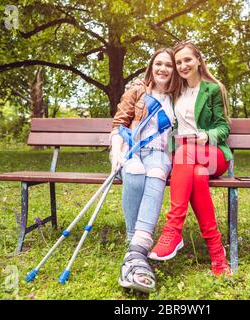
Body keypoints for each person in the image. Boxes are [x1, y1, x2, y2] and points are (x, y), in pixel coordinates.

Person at [148, 41, 233, 276]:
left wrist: (206, 135)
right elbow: (151, 89)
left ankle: (173, 230)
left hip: (213, 154)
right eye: (179, 62)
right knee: (196, 175)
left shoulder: (213, 89)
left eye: (188, 60)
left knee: (185, 153)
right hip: (188, 162)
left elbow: (224, 128)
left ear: (198, 61)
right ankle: (217, 256)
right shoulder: (177, 91)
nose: (183, 65)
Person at [109, 48, 179, 292]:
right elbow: (119, 125)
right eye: (158, 63)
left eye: (168, 65)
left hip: (159, 154)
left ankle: (137, 248)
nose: (162, 69)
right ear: (151, 66)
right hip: (130, 150)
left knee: (157, 171)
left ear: (174, 70)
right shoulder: (137, 90)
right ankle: (134, 241)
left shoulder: (177, 97)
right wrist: (117, 153)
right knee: (137, 172)